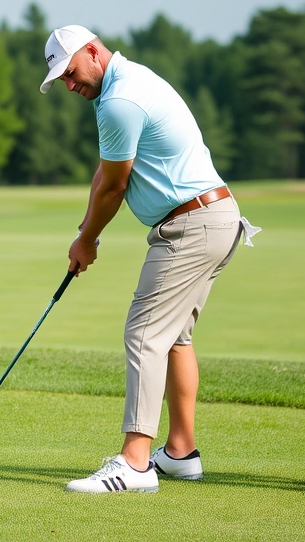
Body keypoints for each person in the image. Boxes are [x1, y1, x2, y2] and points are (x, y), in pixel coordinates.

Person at [39, 25, 258, 494]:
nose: (70, 85)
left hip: (192, 224)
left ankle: (135, 463)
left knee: (144, 333)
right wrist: (84, 232)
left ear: (93, 52)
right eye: (62, 80)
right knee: (173, 336)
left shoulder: (120, 101)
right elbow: (107, 171)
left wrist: (89, 241)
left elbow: (117, 188)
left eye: (71, 73)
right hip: (214, 217)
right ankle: (180, 453)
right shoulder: (122, 86)